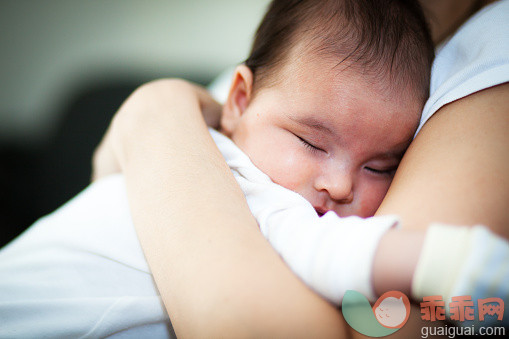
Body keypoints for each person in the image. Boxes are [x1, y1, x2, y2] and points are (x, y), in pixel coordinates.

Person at [92, 0, 509, 337]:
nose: (341, 184)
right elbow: (326, 252)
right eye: (311, 143)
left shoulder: (209, 129)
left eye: (381, 167)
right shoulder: (245, 174)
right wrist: (456, 263)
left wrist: (156, 108)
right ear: (239, 100)